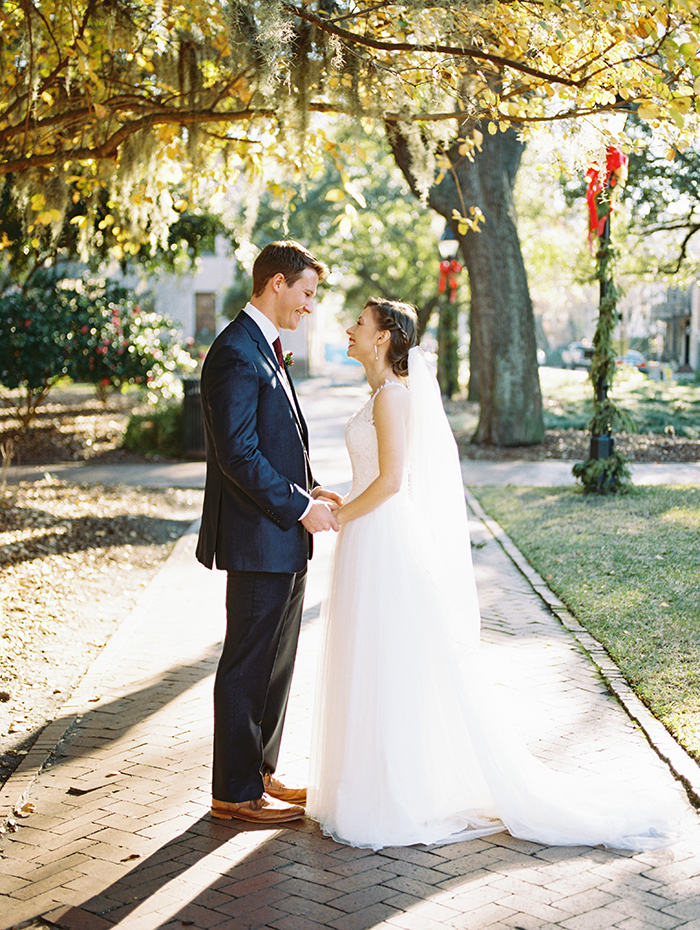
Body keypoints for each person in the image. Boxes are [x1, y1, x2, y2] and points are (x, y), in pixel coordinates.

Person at [307, 296, 686, 851]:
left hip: (385, 542)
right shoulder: (379, 395)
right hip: (368, 538)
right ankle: (369, 783)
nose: (348, 329)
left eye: (359, 324)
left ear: (384, 337)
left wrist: (339, 516)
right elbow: (376, 476)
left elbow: (391, 485)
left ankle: (393, 793)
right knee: (369, 659)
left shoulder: (393, 398)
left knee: (388, 661)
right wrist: (338, 495)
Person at [196, 240, 341, 825]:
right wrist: (299, 506)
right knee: (246, 663)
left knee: (276, 662)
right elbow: (239, 453)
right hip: (258, 537)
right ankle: (233, 791)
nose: (309, 305)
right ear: (276, 284)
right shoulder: (236, 351)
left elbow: (281, 440)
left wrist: (314, 487)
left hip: (283, 534)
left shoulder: (267, 348)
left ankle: (260, 771)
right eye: (306, 293)